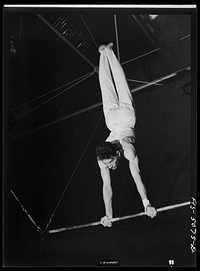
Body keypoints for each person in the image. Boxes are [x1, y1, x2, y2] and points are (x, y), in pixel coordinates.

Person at [96, 43, 157, 227]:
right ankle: (105, 52)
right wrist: (108, 214)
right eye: (108, 164)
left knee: (116, 84)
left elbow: (136, 178)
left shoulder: (128, 152)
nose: (111, 166)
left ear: (115, 153)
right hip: (114, 121)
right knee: (108, 86)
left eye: (110, 163)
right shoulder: (102, 158)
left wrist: (147, 204)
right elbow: (107, 187)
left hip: (125, 118)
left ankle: (107, 53)